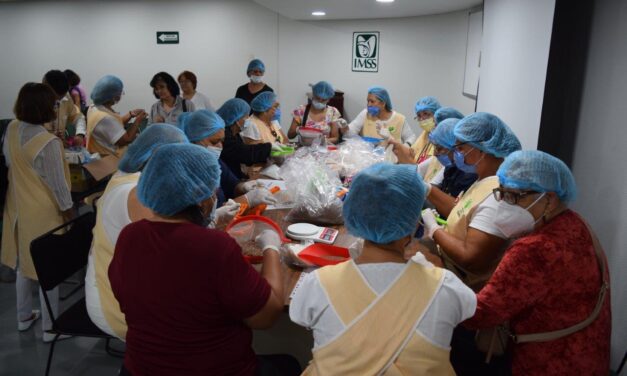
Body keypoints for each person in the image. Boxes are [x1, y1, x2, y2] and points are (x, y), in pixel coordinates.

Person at [109, 143, 299, 375]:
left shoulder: (130, 236)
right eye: (213, 191)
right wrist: (271, 247)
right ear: (202, 201)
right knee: (290, 364)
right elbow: (266, 315)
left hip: (140, 369)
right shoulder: (214, 247)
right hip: (213, 369)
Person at [290, 163, 476, 375]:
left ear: (352, 215)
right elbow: (468, 308)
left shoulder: (317, 284)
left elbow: (300, 317)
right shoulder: (446, 287)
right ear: (415, 222)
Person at [465, 150, 611, 376]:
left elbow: (480, 314)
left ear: (550, 199)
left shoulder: (533, 249)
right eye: (501, 194)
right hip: (588, 357)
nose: (504, 204)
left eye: (513, 196)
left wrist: (439, 283)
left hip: (545, 363)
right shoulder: (576, 224)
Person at [85, 124, 189, 340]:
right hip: (113, 304)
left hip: (125, 284)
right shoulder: (135, 192)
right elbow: (173, 247)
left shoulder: (131, 177)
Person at [1, 83, 74, 343]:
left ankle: (23, 318)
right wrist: (69, 212)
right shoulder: (48, 142)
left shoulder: (11, 129)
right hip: (43, 211)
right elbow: (58, 186)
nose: (57, 107)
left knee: (24, 264)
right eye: (54, 104)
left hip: (18, 207)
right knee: (48, 268)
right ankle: (50, 327)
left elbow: (10, 163)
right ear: (44, 107)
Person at [421, 112, 521, 291]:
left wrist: (434, 230)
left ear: (481, 148)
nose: (456, 154)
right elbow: (464, 214)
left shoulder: (497, 195)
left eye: (460, 148)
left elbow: (469, 257)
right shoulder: (481, 180)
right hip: (447, 260)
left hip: (462, 280)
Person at [178, 110, 278, 209]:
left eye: (222, 141)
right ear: (193, 140)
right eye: (214, 142)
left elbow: (232, 184)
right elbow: (211, 214)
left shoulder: (215, 161)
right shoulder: (188, 171)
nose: (220, 146)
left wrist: (244, 187)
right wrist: (247, 200)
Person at [86, 75, 146, 158]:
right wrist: (138, 121)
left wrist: (130, 114)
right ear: (114, 96)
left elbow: (113, 127)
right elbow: (126, 140)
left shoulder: (94, 107)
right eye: (120, 93)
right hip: (108, 161)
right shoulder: (105, 118)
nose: (121, 95)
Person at [217, 98, 272, 179]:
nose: (248, 120)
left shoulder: (234, 133)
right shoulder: (224, 134)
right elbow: (242, 152)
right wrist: (270, 148)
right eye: (246, 117)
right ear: (236, 118)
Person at [341, 86, 416, 145]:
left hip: (391, 160)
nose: (368, 104)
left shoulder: (399, 119)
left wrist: (406, 145)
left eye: (372, 101)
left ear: (383, 103)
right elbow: (350, 133)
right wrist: (345, 127)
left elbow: (411, 137)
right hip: (369, 157)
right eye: (368, 101)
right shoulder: (365, 114)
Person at [42, 69, 87, 147]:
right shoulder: (34, 103)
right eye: (54, 99)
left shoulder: (66, 98)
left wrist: (80, 134)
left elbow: (78, 117)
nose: (56, 103)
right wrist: (51, 139)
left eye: (59, 99)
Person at [410, 96, 442, 163]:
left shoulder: (441, 136)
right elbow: (412, 152)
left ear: (436, 114)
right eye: (419, 115)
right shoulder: (426, 133)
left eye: (426, 114)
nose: (422, 119)